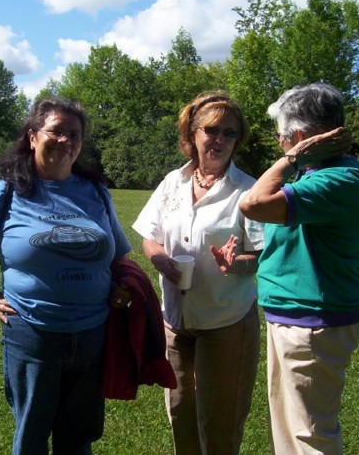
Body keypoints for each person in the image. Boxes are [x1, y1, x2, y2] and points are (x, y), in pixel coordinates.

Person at [0, 98, 132, 455]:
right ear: (32, 136)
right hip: (33, 335)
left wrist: (121, 286)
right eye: (56, 130)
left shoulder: (97, 193)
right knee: (31, 438)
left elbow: (118, 255)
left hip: (92, 335)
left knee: (79, 438)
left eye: (74, 134)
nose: (65, 140)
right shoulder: (6, 192)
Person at [239, 82, 359, 454]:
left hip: (314, 321)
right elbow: (286, 243)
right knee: (289, 427)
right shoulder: (316, 178)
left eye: (282, 138)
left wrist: (291, 158)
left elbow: (253, 204)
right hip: (297, 317)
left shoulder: (338, 180)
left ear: (298, 138)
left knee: (309, 435)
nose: (280, 144)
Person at [133, 91, 264, 454]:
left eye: (230, 133)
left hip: (225, 322)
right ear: (192, 134)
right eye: (211, 130)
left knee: (220, 421)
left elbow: (264, 254)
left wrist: (235, 263)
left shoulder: (248, 190)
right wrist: (159, 258)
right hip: (175, 323)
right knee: (180, 413)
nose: (219, 139)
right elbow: (150, 236)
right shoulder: (172, 182)